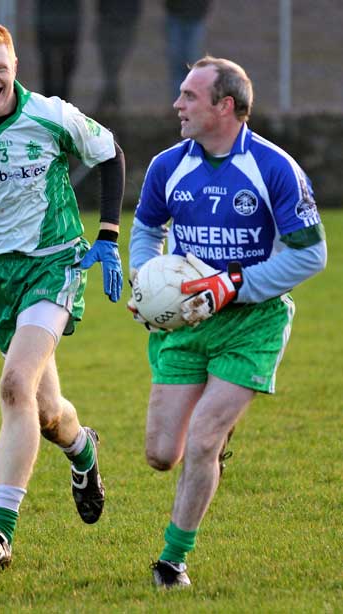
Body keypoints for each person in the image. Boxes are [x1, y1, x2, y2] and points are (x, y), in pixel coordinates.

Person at [0, 21, 125, 567]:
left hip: (56, 263)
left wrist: (106, 235)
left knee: (14, 386)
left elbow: (109, 154)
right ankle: (83, 448)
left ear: (15, 67)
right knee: (44, 410)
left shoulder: (50, 114)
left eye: (0, 67)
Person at [128, 56, 326, 588]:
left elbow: (311, 255)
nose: (177, 105)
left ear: (226, 107)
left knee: (202, 442)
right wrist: (146, 284)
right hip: (187, 323)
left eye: (189, 97)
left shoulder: (275, 168)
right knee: (161, 455)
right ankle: (211, 442)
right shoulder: (167, 165)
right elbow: (146, 230)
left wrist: (232, 284)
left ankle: (172, 560)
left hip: (252, 322)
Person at [95, 0, 142, 113]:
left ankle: (110, 99)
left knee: (116, 65)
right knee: (109, 65)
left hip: (126, 20)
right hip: (106, 18)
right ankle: (111, 99)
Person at [165, 0, 213, 100]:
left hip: (195, 14)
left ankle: (192, 102)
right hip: (175, 12)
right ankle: (180, 102)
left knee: (192, 63)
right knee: (177, 62)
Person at [34, 0, 81, 100]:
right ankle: (51, 103)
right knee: (48, 66)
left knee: (66, 65)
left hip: (67, 19)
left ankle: (59, 101)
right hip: (49, 18)